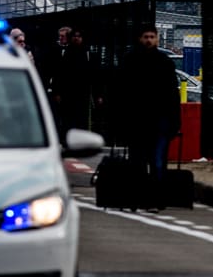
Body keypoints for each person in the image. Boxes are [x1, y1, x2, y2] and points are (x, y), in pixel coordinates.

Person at [113, 25, 181, 209]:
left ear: (157, 39)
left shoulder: (164, 62)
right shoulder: (131, 61)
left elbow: (172, 94)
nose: (149, 40)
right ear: (140, 38)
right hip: (138, 120)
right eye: (146, 36)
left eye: (152, 36)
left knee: (157, 162)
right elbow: (121, 92)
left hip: (158, 120)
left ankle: (155, 199)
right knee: (139, 162)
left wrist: (175, 121)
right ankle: (141, 198)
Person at [45, 26, 100, 141]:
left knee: (81, 120)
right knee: (68, 121)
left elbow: (95, 75)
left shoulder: (88, 53)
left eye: (79, 36)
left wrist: (97, 94)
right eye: (74, 36)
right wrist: (57, 92)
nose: (76, 38)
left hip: (83, 94)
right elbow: (59, 74)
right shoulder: (67, 53)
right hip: (68, 94)